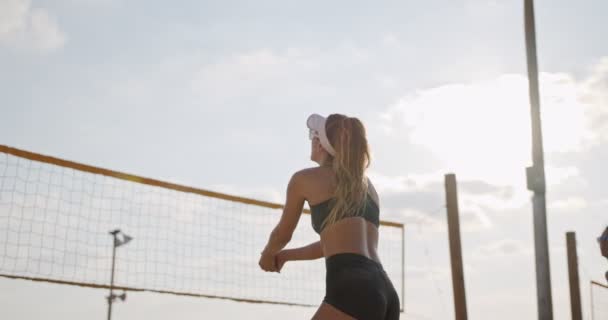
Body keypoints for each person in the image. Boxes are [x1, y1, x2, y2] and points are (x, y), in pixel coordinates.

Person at [258, 113, 400, 320]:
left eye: (312, 136)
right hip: (385, 290)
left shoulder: (304, 179)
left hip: (353, 286)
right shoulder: (367, 188)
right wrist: (286, 255)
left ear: (320, 143)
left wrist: (268, 253)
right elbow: (337, 243)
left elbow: (282, 234)